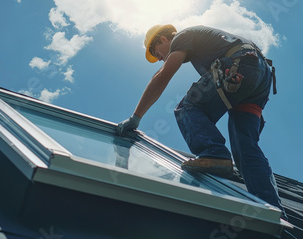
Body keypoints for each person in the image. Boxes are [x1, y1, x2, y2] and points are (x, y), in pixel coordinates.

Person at [117, 24, 286, 218]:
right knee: (245, 148)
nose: (160, 59)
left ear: (164, 38)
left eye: (157, 53)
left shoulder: (183, 36)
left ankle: (214, 154)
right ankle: (272, 210)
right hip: (259, 79)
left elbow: (163, 75)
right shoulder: (208, 45)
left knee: (187, 108)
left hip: (240, 65)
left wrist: (136, 117)